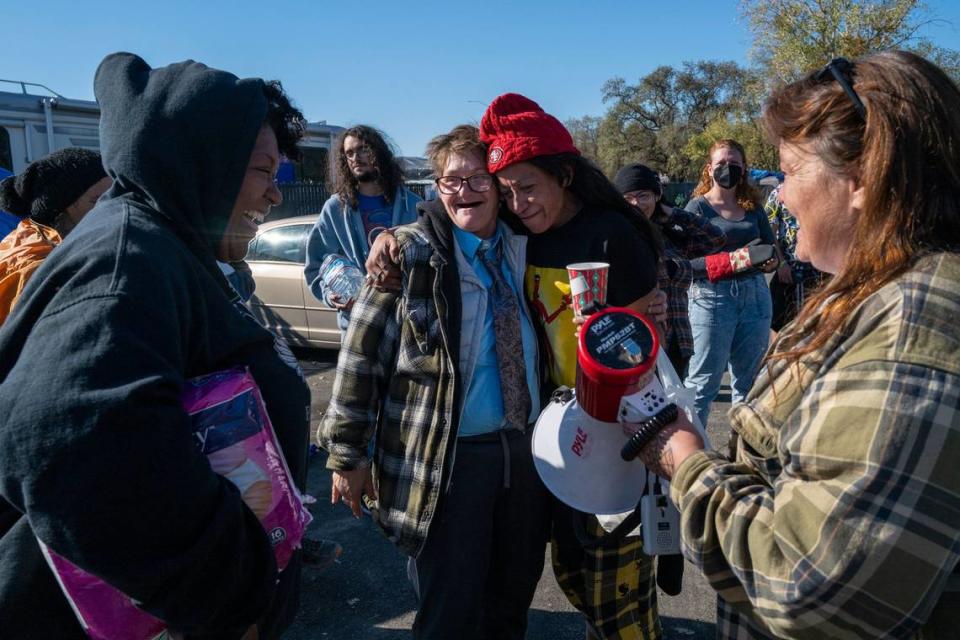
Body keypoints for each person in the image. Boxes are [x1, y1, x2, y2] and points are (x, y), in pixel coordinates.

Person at [633, 50, 960, 639]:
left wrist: (683, 457)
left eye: (790, 171)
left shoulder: (909, 330)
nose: (780, 195)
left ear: (861, 178)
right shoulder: (880, 290)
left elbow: (808, 587)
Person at [0, 53, 311, 638]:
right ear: (205, 163)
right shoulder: (126, 262)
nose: (275, 196)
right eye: (265, 171)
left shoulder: (166, 247)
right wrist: (226, 589)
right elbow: (60, 442)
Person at [320, 124, 548, 640]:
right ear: (436, 188)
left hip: (525, 453)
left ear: (499, 184)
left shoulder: (527, 247)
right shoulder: (411, 255)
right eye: (450, 181)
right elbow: (360, 359)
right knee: (449, 606)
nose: (464, 191)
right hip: (450, 459)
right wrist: (347, 455)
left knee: (512, 597)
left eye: (476, 178)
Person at [482, 94, 663, 640]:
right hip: (555, 429)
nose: (517, 203)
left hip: (618, 429)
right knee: (573, 571)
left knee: (619, 587)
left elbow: (642, 349)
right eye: (507, 191)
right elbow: (450, 216)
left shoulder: (613, 232)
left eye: (528, 187)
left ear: (564, 174)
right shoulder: (516, 237)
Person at [683, 139, 780, 428]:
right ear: (709, 169)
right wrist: (736, 259)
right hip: (711, 300)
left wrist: (771, 261)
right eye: (721, 164)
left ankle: (742, 456)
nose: (727, 169)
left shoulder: (754, 208)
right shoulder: (696, 208)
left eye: (734, 164)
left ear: (744, 169)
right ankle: (691, 461)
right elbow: (686, 265)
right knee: (702, 387)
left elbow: (769, 246)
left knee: (750, 386)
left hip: (755, 296)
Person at [303, 125, 420, 330]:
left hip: (406, 323)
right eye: (349, 153)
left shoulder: (412, 204)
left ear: (379, 152)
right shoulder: (335, 208)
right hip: (358, 325)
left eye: (363, 149)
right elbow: (316, 266)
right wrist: (332, 296)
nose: (355, 158)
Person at [614, 163, 725, 378]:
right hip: (638, 345)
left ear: (656, 196)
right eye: (627, 198)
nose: (636, 203)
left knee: (675, 409)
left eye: (643, 195)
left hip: (678, 342)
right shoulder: (618, 238)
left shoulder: (669, 236)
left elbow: (716, 238)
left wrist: (672, 213)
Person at [0, 148, 111, 324]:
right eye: (97, 200)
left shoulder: (27, 235)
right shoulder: (36, 269)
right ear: (63, 205)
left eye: (112, 196)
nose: (110, 207)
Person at [764, 183, 824, 337]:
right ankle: (779, 359)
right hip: (788, 273)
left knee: (817, 326)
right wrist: (781, 263)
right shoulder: (779, 193)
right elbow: (768, 233)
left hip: (818, 273)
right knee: (780, 325)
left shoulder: (821, 190)